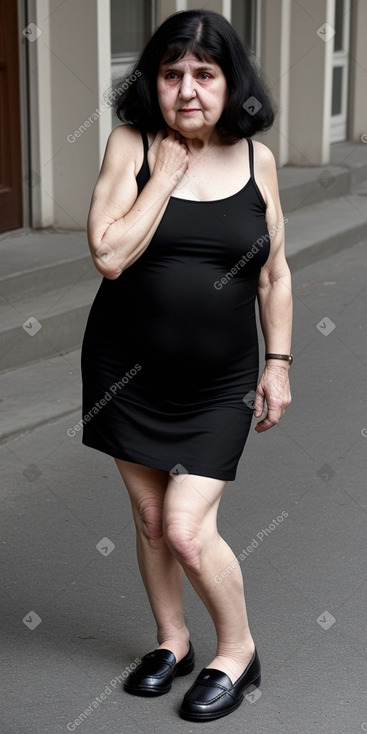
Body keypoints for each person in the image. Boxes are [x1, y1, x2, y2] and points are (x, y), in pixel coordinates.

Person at [81, 8, 292, 723]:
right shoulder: (130, 146)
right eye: (171, 74)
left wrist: (280, 362)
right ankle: (172, 642)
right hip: (126, 373)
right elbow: (109, 256)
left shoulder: (256, 159)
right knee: (147, 518)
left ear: (231, 82)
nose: (188, 90)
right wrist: (162, 178)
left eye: (205, 73)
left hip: (218, 383)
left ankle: (236, 651)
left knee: (185, 528)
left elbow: (274, 275)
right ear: (153, 82)